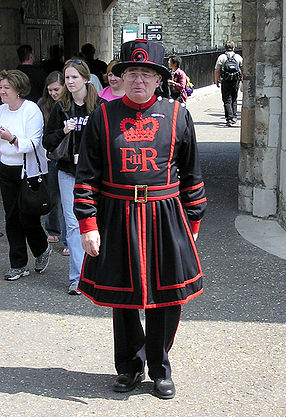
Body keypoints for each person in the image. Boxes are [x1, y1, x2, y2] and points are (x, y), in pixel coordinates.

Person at [73, 39, 207, 399]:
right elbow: (87, 176)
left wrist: (191, 224)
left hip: (165, 216)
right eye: (132, 72)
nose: (138, 80)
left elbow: (192, 177)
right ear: (121, 77)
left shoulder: (178, 115)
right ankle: (129, 367)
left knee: (167, 296)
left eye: (147, 73)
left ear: (158, 78)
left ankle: (160, 366)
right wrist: (88, 225)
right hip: (117, 215)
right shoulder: (102, 116)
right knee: (124, 297)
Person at [43, 58, 99, 295]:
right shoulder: (61, 107)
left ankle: (98, 273)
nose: (70, 81)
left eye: (75, 77)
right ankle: (77, 278)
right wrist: (63, 130)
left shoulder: (100, 106)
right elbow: (47, 141)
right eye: (67, 77)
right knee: (74, 224)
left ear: (86, 78)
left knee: (97, 222)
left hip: (95, 174)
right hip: (68, 172)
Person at [0, 69, 51, 280]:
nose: (2, 92)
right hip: (5, 168)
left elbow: (33, 143)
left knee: (27, 217)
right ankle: (18, 264)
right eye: (1, 87)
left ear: (18, 90)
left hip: (27, 171)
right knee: (11, 217)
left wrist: (11, 139)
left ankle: (41, 248)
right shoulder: (2, 110)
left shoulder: (31, 110)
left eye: (6, 88)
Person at [37, 71, 68, 254]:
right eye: (50, 90)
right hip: (49, 153)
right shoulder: (43, 104)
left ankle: (66, 238)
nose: (53, 93)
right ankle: (52, 229)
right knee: (51, 195)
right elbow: (40, 130)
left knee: (67, 199)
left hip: (65, 153)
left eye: (56, 89)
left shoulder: (69, 104)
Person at [214, 40, 243, 126]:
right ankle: (234, 116)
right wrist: (242, 78)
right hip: (235, 80)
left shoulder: (222, 57)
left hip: (226, 80)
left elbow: (217, 70)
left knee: (227, 99)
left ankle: (229, 118)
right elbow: (242, 68)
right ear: (233, 47)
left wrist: (216, 80)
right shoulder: (238, 57)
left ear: (225, 48)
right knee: (234, 98)